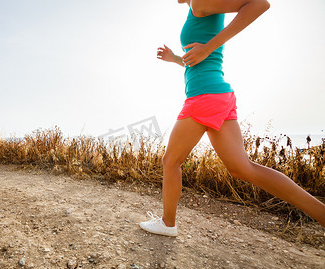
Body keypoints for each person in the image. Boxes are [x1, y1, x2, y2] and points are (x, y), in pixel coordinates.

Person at [139, 0, 325, 236]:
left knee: (171, 161)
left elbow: (259, 4)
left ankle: (168, 224)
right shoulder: (197, 9)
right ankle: (321, 213)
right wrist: (176, 57)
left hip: (203, 97)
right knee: (242, 168)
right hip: (219, 96)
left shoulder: (199, 3)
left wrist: (207, 47)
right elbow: (198, 60)